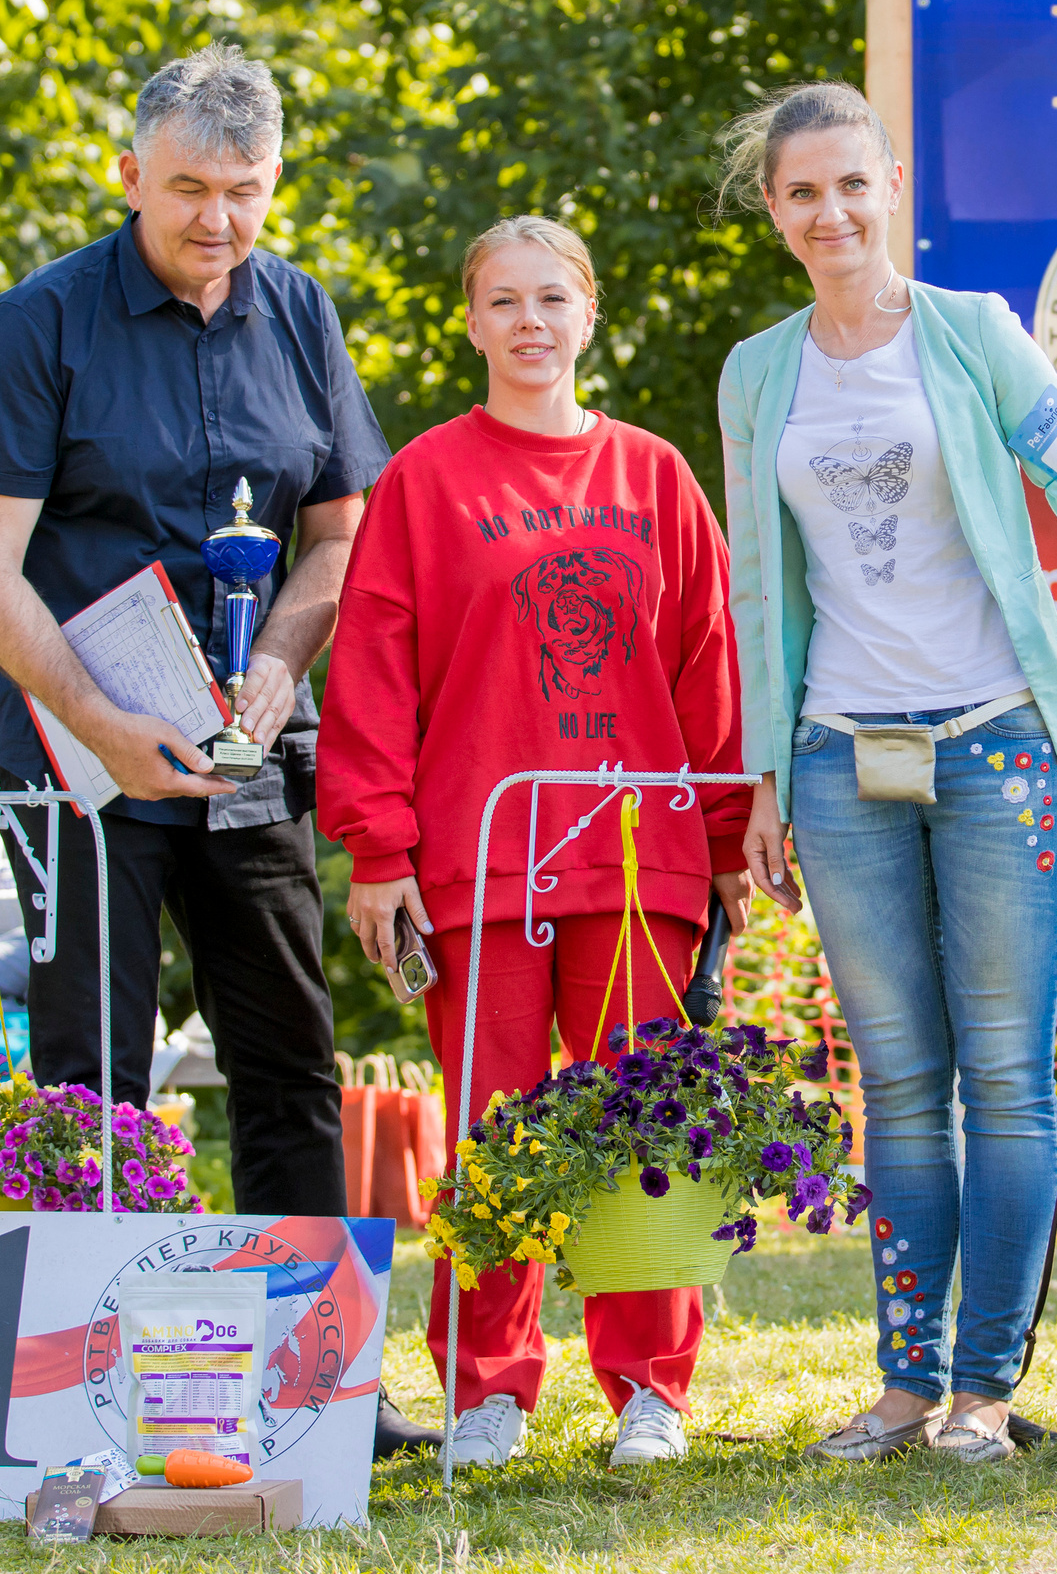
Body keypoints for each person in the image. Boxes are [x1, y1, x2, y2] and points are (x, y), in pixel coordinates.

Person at [0, 46, 434, 1454]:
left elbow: (340, 530)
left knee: (291, 1056)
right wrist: (102, 719)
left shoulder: (299, 312)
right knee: (94, 1069)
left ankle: (321, 1385)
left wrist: (281, 662)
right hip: (75, 750)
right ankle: (89, 1392)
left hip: (248, 750)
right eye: (189, 190)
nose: (219, 221)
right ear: (128, 175)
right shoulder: (39, 325)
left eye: (247, 191)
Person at [714, 82, 1057, 1464]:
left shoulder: (972, 337)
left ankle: (983, 1390)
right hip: (840, 756)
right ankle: (906, 1385)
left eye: (852, 185)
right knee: (898, 1082)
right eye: (801, 193)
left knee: (1008, 1081)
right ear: (775, 211)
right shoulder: (756, 373)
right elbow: (754, 588)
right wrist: (763, 779)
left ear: (891, 185)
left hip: (999, 741)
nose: (830, 212)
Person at [319, 216, 753, 1470]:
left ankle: (649, 1391)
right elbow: (374, 672)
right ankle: (488, 1391)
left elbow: (708, 665)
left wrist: (723, 831)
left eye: (551, 299)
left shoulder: (654, 476)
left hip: (639, 854)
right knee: (492, 1131)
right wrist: (379, 847)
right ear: (471, 321)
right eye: (502, 301)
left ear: (588, 314)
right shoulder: (424, 478)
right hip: (480, 853)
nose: (528, 322)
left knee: (641, 1123)